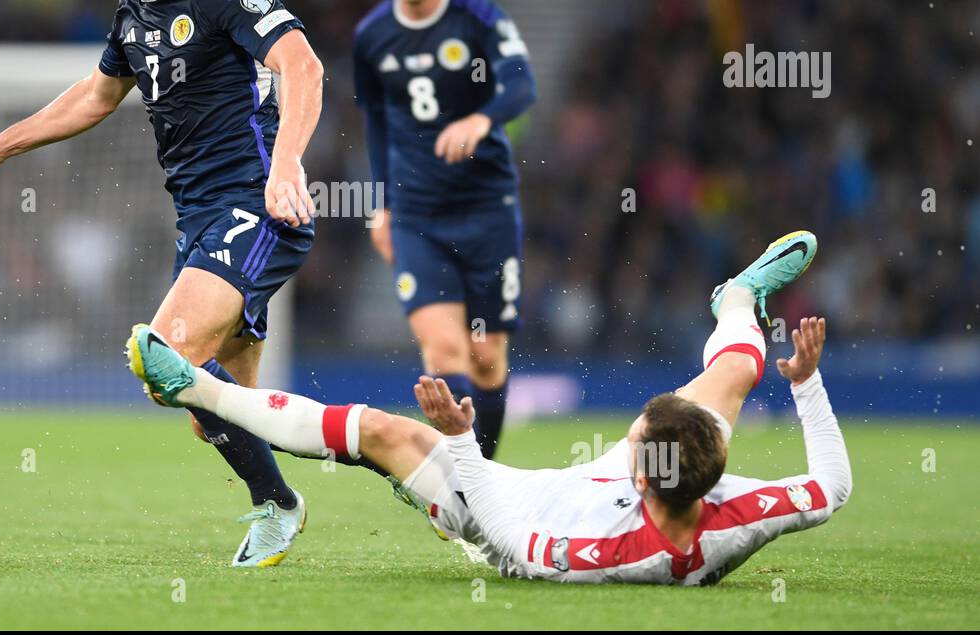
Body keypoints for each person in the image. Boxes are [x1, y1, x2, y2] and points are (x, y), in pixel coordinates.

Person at [0, 0, 324, 567]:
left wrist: (287, 165)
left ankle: (326, 489)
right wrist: (3, 144)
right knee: (217, 408)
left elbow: (303, 67)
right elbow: (93, 98)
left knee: (165, 356)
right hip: (201, 221)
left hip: (257, 204)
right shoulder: (131, 19)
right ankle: (336, 484)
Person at [128, 231, 853, 584]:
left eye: (634, 437)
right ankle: (736, 297)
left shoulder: (604, 559)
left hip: (510, 511)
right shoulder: (736, 505)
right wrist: (806, 382)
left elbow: (510, 544)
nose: (632, 434)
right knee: (729, 375)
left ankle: (192, 384)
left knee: (384, 432)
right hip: (601, 492)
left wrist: (462, 441)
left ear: (640, 473)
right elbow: (832, 489)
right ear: (717, 465)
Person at [353, 0, 537, 458]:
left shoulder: (478, 18)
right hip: (417, 214)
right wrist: (384, 203)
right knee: (443, 350)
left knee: (485, 354)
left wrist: (482, 118)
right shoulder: (372, 37)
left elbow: (521, 84)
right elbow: (377, 121)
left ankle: (484, 476)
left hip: (486, 208)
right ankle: (460, 487)